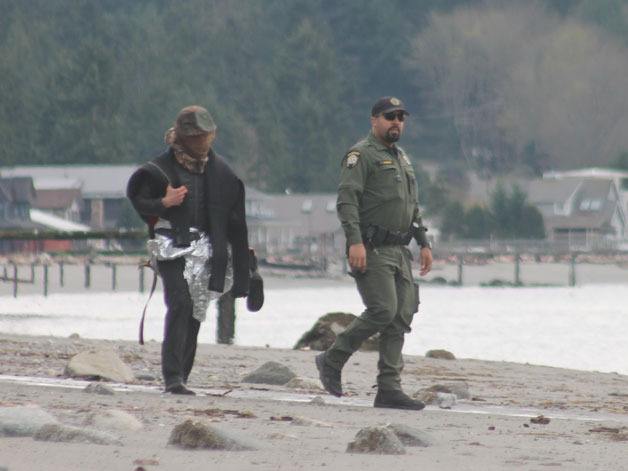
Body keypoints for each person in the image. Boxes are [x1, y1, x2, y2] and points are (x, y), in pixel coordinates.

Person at [127, 105, 259, 395]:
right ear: (183, 137)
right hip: (168, 244)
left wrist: (243, 272)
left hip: (208, 249)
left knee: (197, 309)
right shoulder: (158, 169)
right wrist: (164, 202)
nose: (203, 142)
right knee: (181, 303)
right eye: (197, 137)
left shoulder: (223, 173)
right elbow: (139, 202)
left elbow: (237, 225)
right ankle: (172, 377)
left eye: (207, 136)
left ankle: (182, 376)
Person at [316, 97, 433, 410]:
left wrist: (423, 241)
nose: (396, 122)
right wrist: (354, 241)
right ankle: (332, 358)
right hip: (371, 247)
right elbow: (347, 200)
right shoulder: (361, 155)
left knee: (401, 316)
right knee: (383, 309)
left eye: (400, 117)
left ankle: (389, 388)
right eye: (389, 116)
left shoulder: (402, 158)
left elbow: (412, 205)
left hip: (399, 249)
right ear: (374, 120)